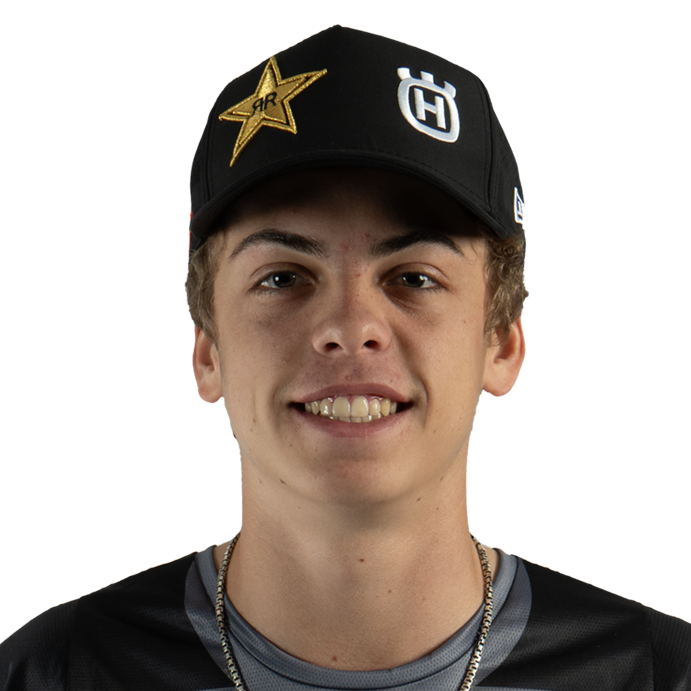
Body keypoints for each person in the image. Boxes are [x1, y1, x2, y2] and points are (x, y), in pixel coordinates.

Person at [1, 25, 689, 690]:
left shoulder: (658, 672)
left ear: (501, 344)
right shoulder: (56, 671)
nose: (350, 327)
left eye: (414, 277)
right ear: (207, 353)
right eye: (283, 277)